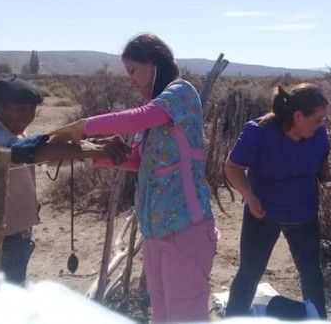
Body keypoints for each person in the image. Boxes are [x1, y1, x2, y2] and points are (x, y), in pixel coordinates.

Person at [49, 33, 218, 323]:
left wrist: (83, 126)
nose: (131, 81)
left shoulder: (180, 93)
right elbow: (138, 161)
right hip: (155, 231)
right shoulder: (157, 114)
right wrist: (94, 153)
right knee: (163, 316)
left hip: (185, 229)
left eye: (132, 71)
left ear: (153, 63)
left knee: (186, 316)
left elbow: (141, 115)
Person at [0, 76, 127, 286]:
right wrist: (97, 150)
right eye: (20, 109)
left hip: (15, 240)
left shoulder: (14, 134)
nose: (27, 116)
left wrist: (92, 146)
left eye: (31, 110)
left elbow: (46, 154)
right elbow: (36, 151)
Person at [224, 83, 331, 319]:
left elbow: (320, 162)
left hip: (304, 216)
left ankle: (318, 320)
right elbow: (232, 167)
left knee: (311, 274)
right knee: (250, 273)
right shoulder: (258, 132)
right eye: (318, 119)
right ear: (298, 116)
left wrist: (327, 180)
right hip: (263, 215)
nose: (322, 124)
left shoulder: (318, 135)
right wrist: (249, 195)